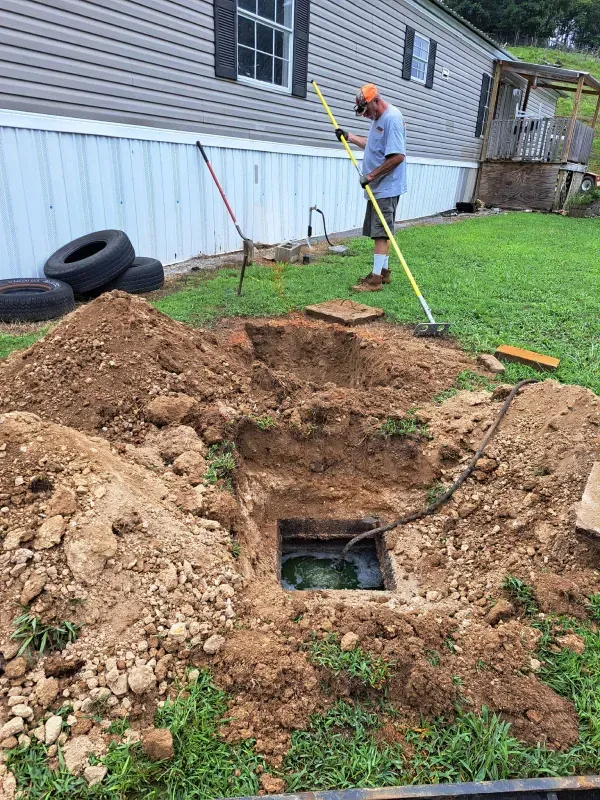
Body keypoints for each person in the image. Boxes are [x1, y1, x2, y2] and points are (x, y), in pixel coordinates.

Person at [335, 83, 407, 292]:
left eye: (366, 111)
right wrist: (349, 137)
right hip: (378, 187)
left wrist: (371, 176)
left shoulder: (392, 119)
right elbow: (372, 145)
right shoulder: (378, 119)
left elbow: (398, 157)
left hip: (386, 187)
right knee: (381, 231)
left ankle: (375, 281)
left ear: (376, 101)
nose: (366, 116)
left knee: (380, 233)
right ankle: (383, 273)